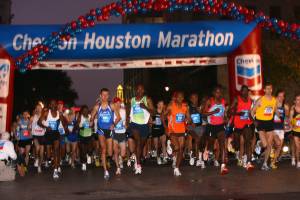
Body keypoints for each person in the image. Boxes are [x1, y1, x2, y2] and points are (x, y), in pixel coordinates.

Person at [91, 88, 121, 180]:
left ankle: (105, 159)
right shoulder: (97, 106)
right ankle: (105, 171)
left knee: (110, 152)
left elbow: (118, 117)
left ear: (108, 96)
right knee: (103, 149)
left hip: (110, 130)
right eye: (103, 95)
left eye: (107, 95)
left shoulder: (111, 105)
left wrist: (114, 124)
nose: (105, 96)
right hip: (101, 130)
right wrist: (91, 122)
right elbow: (92, 116)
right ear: (100, 95)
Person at [128, 84, 154, 175]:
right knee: (138, 142)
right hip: (134, 124)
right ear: (136, 90)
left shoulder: (147, 99)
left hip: (144, 125)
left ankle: (137, 157)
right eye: (138, 89)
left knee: (141, 145)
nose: (139, 91)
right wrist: (128, 123)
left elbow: (153, 112)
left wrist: (145, 107)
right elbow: (130, 112)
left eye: (141, 89)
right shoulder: (132, 100)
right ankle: (138, 165)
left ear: (143, 91)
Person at [251, 83, 277, 171]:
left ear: (272, 90)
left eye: (270, 88)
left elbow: (275, 110)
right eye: (267, 89)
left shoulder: (274, 100)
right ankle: (259, 144)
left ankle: (265, 164)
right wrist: (254, 121)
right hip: (260, 122)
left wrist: (280, 115)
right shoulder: (260, 100)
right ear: (264, 90)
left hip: (269, 122)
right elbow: (252, 112)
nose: (269, 90)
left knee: (269, 145)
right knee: (265, 144)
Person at [203, 86, 229, 175]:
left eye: (220, 92)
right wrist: (213, 112)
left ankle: (223, 166)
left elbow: (224, 113)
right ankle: (207, 150)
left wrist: (225, 118)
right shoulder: (210, 101)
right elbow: (203, 113)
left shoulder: (223, 101)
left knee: (222, 145)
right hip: (211, 126)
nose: (219, 94)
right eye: (217, 92)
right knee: (211, 144)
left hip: (220, 126)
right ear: (214, 93)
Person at [38, 100, 66, 179]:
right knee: (49, 155)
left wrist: (62, 126)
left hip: (56, 134)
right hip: (48, 134)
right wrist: (46, 127)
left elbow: (64, 123)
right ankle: (50, 160)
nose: (53, 105)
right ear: (50, 105)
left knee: (56, 152)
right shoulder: (46, 113)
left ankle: (55, 170)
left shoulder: (59, 114)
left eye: (55, 104)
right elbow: (39, 122)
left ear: (57, 105)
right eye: (52, 104)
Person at [166, 91, 190, 176]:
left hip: (182, 131)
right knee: (176, 147)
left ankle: (176, 168)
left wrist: (188, 120)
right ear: (176, 98)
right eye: (178, 97)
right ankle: (170, 145)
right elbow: (163, 115)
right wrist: (166, 127)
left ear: (183, 98)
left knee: (180, 149)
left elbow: (188, 118)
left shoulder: (185, 107)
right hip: (173, 131)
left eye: (181, 97)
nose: (180, 98)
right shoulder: (171, 106)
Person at [230, 85, 254, 171]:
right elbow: (230, 110)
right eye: (243, 91)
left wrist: (253, 120)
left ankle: (248, 162)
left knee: (248, 141)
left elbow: (250, 113)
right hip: (237, 124)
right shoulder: (237, 99)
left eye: (246, 91)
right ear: (241, 92)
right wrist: (238, 113)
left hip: (247, 123)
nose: (245, 92)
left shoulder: (250, 101)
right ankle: (236, 150)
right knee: (237, 143)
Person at [187, 93, 205, 168]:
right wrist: (191, 122)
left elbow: (204, 116)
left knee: (199, 142)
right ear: (190, 99)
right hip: (191, 127)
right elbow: (186, 117)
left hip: (199, 127)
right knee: (196, 139)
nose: (195, 99)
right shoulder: (188, 108)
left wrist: (200, 111)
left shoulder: (200, 107)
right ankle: (195, 157)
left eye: (196, 98)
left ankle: (196, 157)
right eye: (193, 98)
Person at [272, 90, 289, 169]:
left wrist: (286, 126)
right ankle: (271, 149)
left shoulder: (285, 106)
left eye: (283, 96)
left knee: (279, 146)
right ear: (276, 97)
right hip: (273, 128)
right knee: (277, 143)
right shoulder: (272, 105)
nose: (281, 98)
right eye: (279, 96)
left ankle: (273, 161)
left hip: (281, 128)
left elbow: (286, 118)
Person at [112, 97, 127, 175]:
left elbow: (125, 121)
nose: (117, 104)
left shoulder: (123, 111)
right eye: (116, 103)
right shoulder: (112, 112)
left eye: (119, 103)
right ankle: (118, 168)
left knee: (123, 153)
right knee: (115, 151)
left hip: (122, 133)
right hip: (114, 133)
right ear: (113, 104)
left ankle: (120, 158)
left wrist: (125, 126)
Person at [151, 100, 168, 165]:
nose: (161, 105)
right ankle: (158, 157)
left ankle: (164, 157)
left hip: (162, 129)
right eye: (160, 104)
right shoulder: (153, 112)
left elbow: (167, 120)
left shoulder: (164, 112)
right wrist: (152, 122)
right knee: (157, 145)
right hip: (155, 129)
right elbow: (148, 121)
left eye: (162, 104)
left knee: (163, 144)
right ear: (157, 105)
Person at [77, 105, 93, 171]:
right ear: (82, 111)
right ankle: (83, 163)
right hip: (82, 135)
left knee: (89, 149)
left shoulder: (90, 116)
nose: (85, 111)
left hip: (89, 134)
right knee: (83, 150)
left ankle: (89, 155)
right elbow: (77, 125)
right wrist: (81, 127)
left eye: (86, 110)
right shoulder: (80, 116)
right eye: (84, 110)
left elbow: (92, 125)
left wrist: (91, 125)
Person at [31, 103, 46, 173]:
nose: (38, 109)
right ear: (36, 109)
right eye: (37, 108)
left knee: (42, 153)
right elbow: (29, 125)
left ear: (41, 109)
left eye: (39, 108)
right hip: (35, 135)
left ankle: (39, 166)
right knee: (37, 148)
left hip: (42, 135)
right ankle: (36, 159)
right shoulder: (33, 117)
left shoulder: (44, 116)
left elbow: (46, 125)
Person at [290, 94, 300, 168]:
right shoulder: (292, 109)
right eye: (297, 99)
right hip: (295, 130)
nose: (298, 101)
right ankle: (298, 161)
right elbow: (290, 121)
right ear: (294, 101)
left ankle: (294, 157)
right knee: (297, 146)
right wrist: (293, 125)